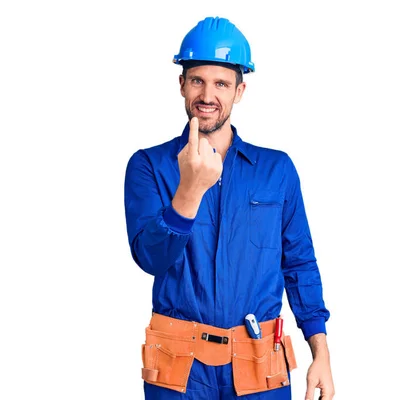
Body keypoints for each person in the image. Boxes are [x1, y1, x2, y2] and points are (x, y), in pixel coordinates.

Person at [124, 16, 335, 400]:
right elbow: (149, 258)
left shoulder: (277, 170)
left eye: (221, 83)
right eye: (197, 80)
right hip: (178, 370)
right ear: (181, 84)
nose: (208, 95)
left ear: (239, 91)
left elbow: (299, 262)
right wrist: (189, 189)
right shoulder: (148, 166)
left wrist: (320, 352)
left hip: (259, 368)